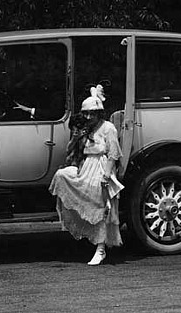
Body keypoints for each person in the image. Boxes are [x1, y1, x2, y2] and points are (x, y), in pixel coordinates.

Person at [49, 85, 125, 265]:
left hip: (101, 165)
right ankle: (92, 238)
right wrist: (77, 137)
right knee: (62, 176)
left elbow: (113, 153)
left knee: (100, 204)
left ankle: (101, 248)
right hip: (87, 165)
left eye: (93, 113)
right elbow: (72, 151)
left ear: (100, 113)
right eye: (87, 113)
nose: (89, 116)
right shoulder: (85, 128)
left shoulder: (108, 128)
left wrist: (106, 175)